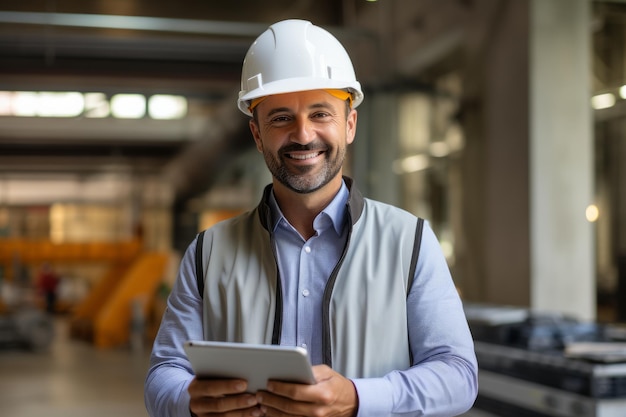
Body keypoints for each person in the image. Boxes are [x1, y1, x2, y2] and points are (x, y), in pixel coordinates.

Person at [145, 19, 478, 417]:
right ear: (256, 135)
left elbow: (458, 377)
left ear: (349, 124)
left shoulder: (410, 243)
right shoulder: (207, 253)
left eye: (321, 114)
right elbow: (163, 374)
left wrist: (357, 398)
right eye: (281, 118)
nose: (303, 135)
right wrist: (191, 401)